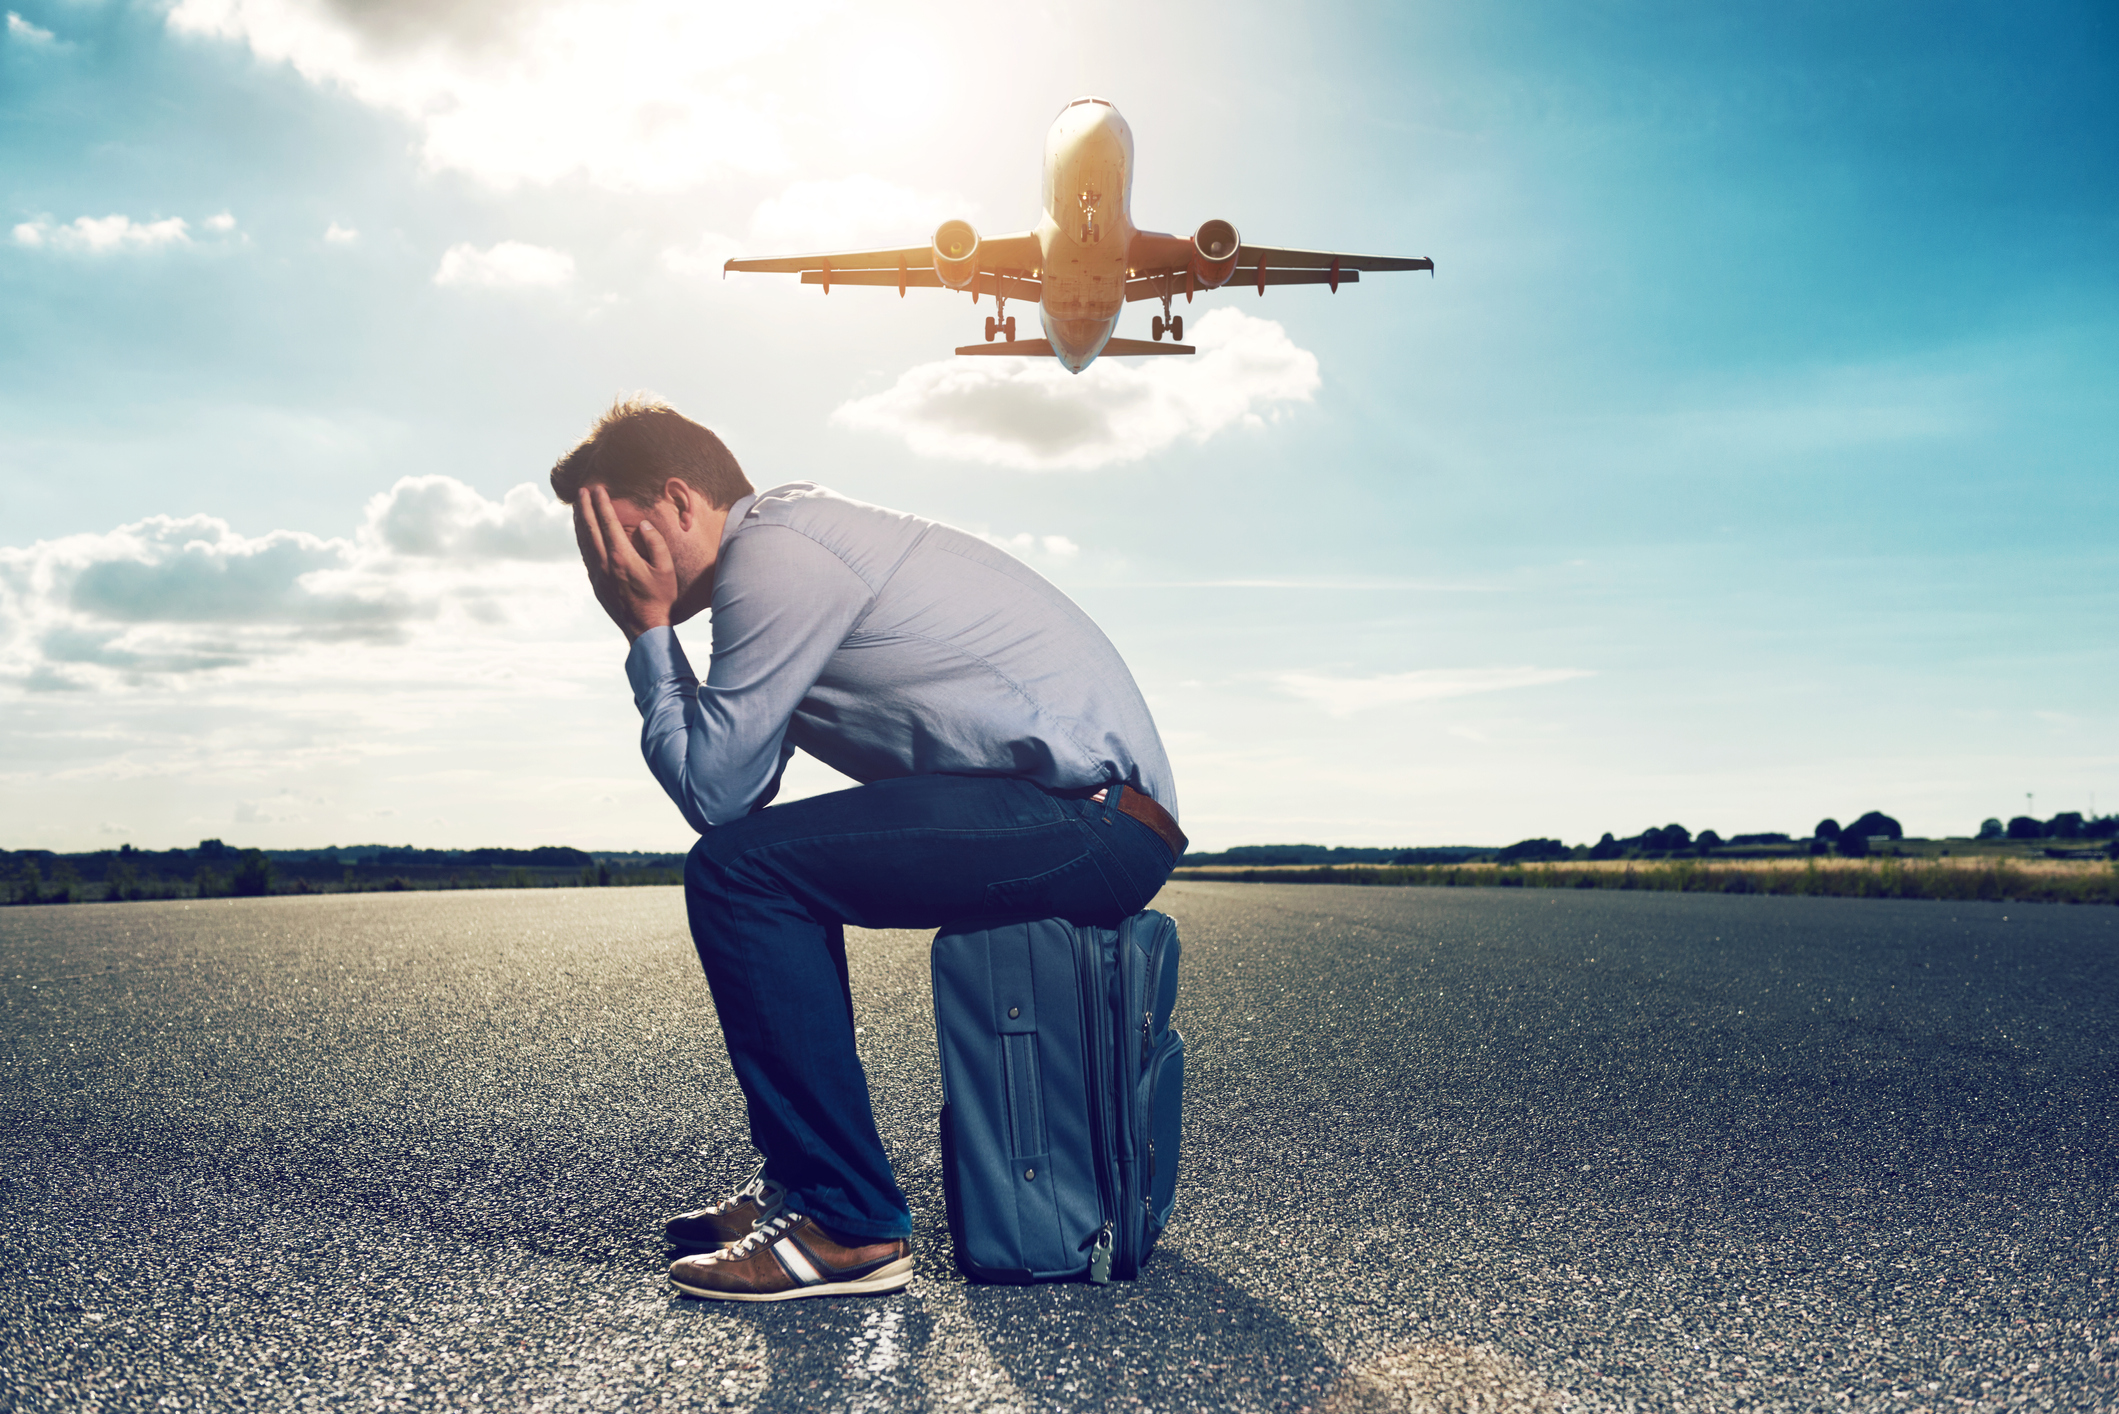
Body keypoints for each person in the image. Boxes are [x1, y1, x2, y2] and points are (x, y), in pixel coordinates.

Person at [551, 396, 1184, 1302]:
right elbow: (741, 782)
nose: (608, 567)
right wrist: (661, 637)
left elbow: (716, 796)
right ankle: (805, 1187)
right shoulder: (785, 549)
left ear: (680, 503)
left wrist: (647, 633)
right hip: (1076, 810)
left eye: (617, 536)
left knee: (740, 876)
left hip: (1089, 819)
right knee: (756, 863)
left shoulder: (774, 553)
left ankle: (845, 1224)